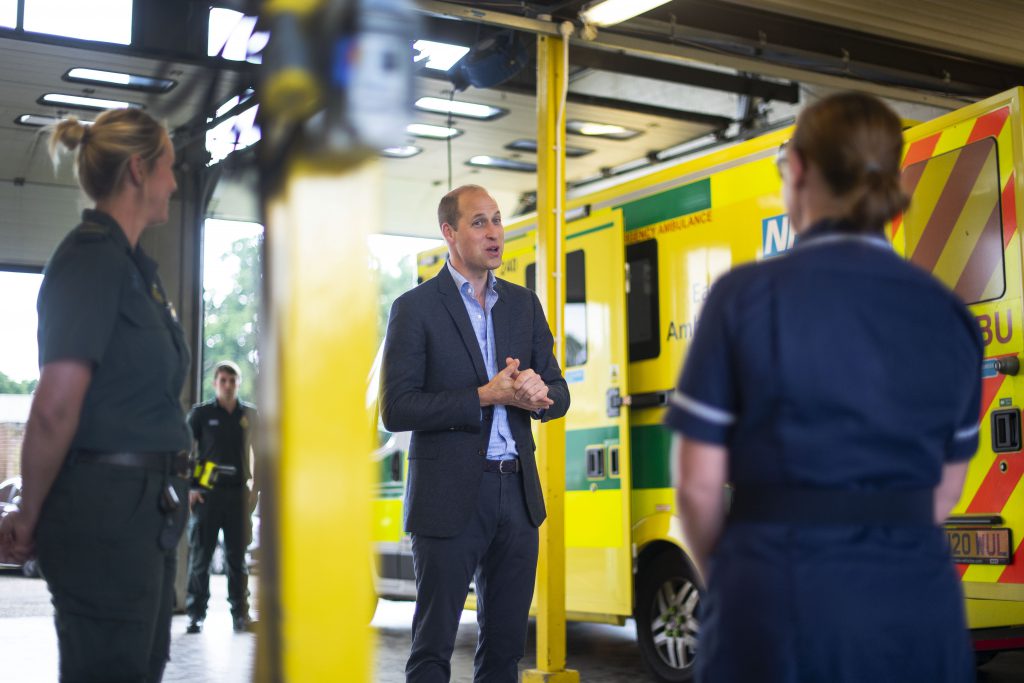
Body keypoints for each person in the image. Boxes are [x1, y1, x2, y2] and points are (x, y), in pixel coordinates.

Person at [667, 91, 981, 683]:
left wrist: (737, 579)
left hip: (778, 597)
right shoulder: (950, 315)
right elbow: (943, 496)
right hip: (919, 606)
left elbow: (698, 486)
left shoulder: (743, 298)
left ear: (800, 169)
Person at [0, 109, 190, 682]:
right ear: (138, 169)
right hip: (104, 520)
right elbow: (55, 405)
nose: (175, 183)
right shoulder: (88, 258)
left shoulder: (138, 271)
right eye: (168, 170)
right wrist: (28, 514)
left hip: (142, 519)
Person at [380, 184, 570, 682]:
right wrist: (483, 396)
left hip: (517, 496)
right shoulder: (415, 308)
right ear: (449, 233)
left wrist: (536, 394)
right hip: (448, 499)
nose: (494, 233)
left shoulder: (524, 306)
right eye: (479, 222)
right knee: (432, 650)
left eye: (498, 220)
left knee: (505, 651)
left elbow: (560, 390)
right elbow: (396, 408)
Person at [184, 360, 259, 634]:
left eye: (232, 380)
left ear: (238, 384)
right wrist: (191, 487)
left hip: (238, 494)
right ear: (215, 383)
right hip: (206, 496)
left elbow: (263, 454)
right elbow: (183, 448)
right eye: (223, 380)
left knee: (237, 559)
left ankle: (240, 615)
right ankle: (195, 614)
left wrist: (257, 489)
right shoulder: (201, 415)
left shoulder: (250, 415)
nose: (228, 385)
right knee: (201, 558)